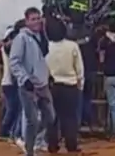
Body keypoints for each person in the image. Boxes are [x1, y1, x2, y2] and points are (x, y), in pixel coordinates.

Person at [9, 7, 55, 156]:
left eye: (38, 18)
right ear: (27, 21)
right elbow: (14, 62)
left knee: (50, 116)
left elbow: (41, 60)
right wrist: (24, 79)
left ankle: (34, 140)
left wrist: (49, 75)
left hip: (43, 83)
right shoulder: (21, 38)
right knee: (32, 120)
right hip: (28, 86)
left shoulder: (42, 37)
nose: (36, 22)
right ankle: (29, 151)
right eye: (33, 19)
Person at [45, 19, 83, 154]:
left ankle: (52, 145)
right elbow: (79, 68)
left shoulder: (46, 47)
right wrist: (80, 84)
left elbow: (44, 68)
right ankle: (71, 145)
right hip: (70, 85)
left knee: (52, 117)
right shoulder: (72, 46)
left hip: (52, 86)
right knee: (70, 117)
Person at [0, 22, 24, 141]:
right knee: (13, 109)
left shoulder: (6, 48)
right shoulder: (10, 48)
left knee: (11, 109)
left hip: (7, 82)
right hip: (11, 82)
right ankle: (5, 132)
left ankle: (7, 131)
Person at [78, 34, 99, 130]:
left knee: (79, 98)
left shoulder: (70, 39)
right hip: (90, 70)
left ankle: (81, 122)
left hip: (79, 73)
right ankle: (89, 121)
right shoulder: (90, 38)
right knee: (87, 98)